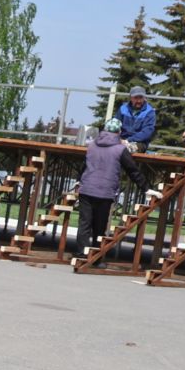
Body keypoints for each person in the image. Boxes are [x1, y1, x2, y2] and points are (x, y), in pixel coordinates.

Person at [78, 116, 141, 263]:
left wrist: (78, 182)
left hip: (87, 189)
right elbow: (133, 170)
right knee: (99, 227)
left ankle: (81, 253)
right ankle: (96, 257)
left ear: (104, 130)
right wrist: (146, 188)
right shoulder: (120, 149)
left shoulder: (92, 145)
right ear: (119, 132)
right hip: (105, 193)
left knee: (84, 223)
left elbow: (83, 166)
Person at [117, 86, 156, 151]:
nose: (138, 101)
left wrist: (128, 140)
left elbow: (147, 132)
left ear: (144, 98)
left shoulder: (149, 112)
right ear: (131, 98)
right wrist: (118, 139)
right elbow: (115, 125)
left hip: (139, 142)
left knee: (127, 149)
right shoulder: (123, 109)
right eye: (135, 98)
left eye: (141, 97)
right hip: (121, 140)